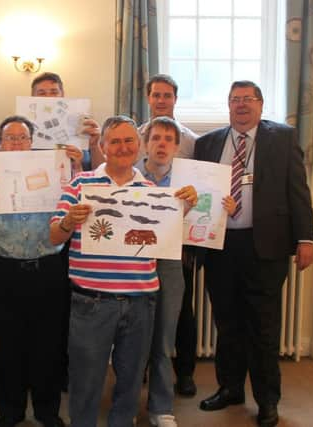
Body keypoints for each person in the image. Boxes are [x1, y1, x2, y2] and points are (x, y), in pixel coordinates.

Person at [49, 115, 197, 427]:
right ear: (101, 147)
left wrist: (185, 208)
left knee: (130, 380)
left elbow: (164, 242)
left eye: (129, 141)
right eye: (114, 141)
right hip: (92, 301)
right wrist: (67, 222)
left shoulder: (152, 190)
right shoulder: (79, 184)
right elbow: (53, 237)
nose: (122, 147)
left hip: (141, 300)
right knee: (86, 380)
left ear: (139, 146)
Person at [195, 81, 313, 427]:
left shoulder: (282, 138)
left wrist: (305, 238)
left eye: (248, 99)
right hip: (220, 247)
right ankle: (230, 388)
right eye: (235, 100)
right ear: (228, 105)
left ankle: (267, 400)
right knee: (227, 323)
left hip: (266, 246)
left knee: (263, 328)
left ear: (260, 105)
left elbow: (299, 191)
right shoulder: (208, 143)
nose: (241, 105)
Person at [0, 116, 67, 427]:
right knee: (5, 343)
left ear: (31, 141)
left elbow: (69, 210)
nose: (15, 142)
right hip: (2, 268)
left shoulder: (53, 169)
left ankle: (47, 410)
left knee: (49, 343)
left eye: (21, 137)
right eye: (9, 138)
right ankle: (10, 410)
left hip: (48, 267)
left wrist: (74, 169)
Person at [135, 117, 218, 427]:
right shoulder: (130, 177)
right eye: (156, 138)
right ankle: (128, 403)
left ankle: (160, 408)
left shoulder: (188, 184)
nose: (162, 144)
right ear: (146, 143)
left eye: (169, 140)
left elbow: (206, 224)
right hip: (133, 265)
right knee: (132, 340)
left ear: (176, 146)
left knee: (163, 340)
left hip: (170, 264)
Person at [139, 75, 200, 397]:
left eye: (167, 95)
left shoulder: (192, 141)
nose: (161, 144)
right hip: (136, 257)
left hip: (177, 253)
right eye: (156, 94)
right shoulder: (134, 158)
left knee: (178, 315)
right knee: (139, 320)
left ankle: (183, 374)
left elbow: (206, 196)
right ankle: (142, 375)